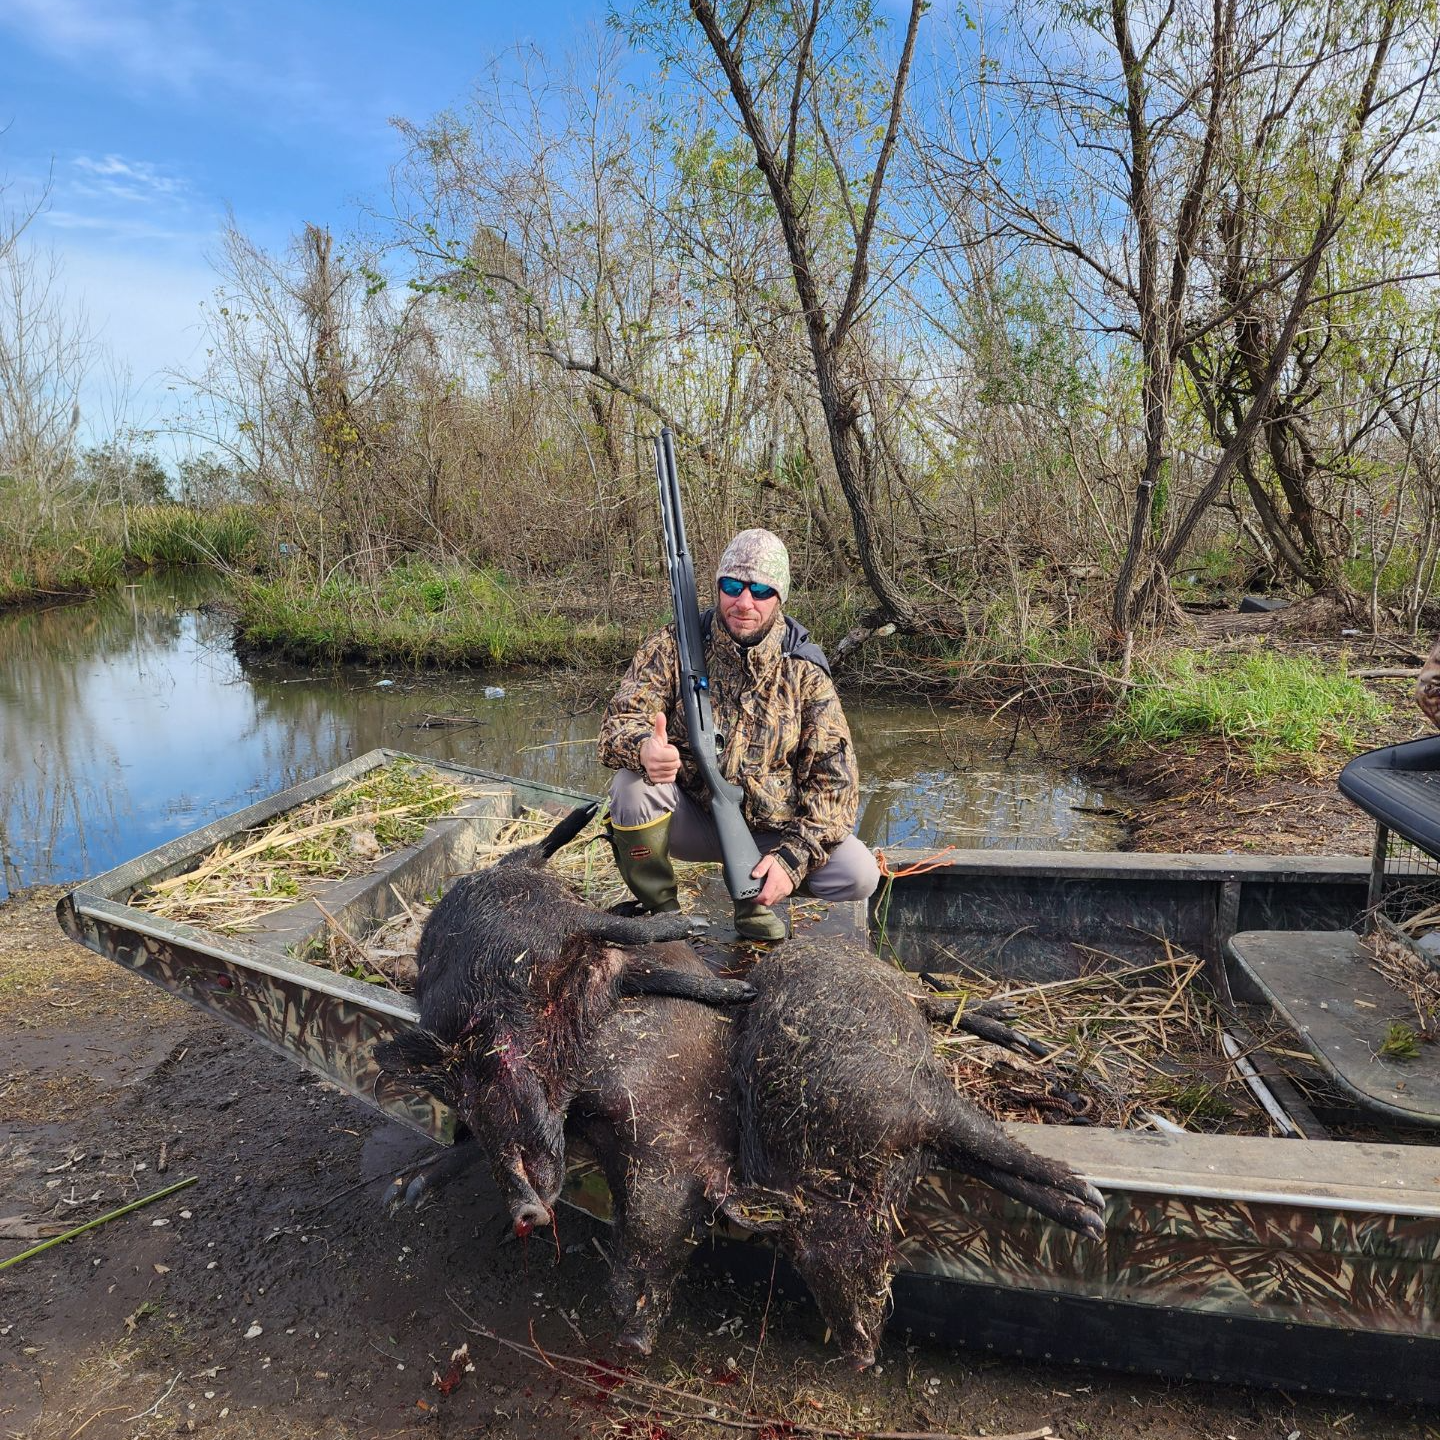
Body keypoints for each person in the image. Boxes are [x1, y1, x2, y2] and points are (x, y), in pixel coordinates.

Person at [597, 528, 880, 941]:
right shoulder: (673, 646)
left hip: (770, 832)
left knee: (859, 873)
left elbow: (836, 788)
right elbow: (616, 723)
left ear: (779, 598)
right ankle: (664, 913)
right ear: (718, 587)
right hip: (691, 816)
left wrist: (791, 858)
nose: (744, 602)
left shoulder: (805, 672)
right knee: (629, 788)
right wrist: (643, 749)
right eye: (733, 586)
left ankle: (756, 896)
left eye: (761, 590)